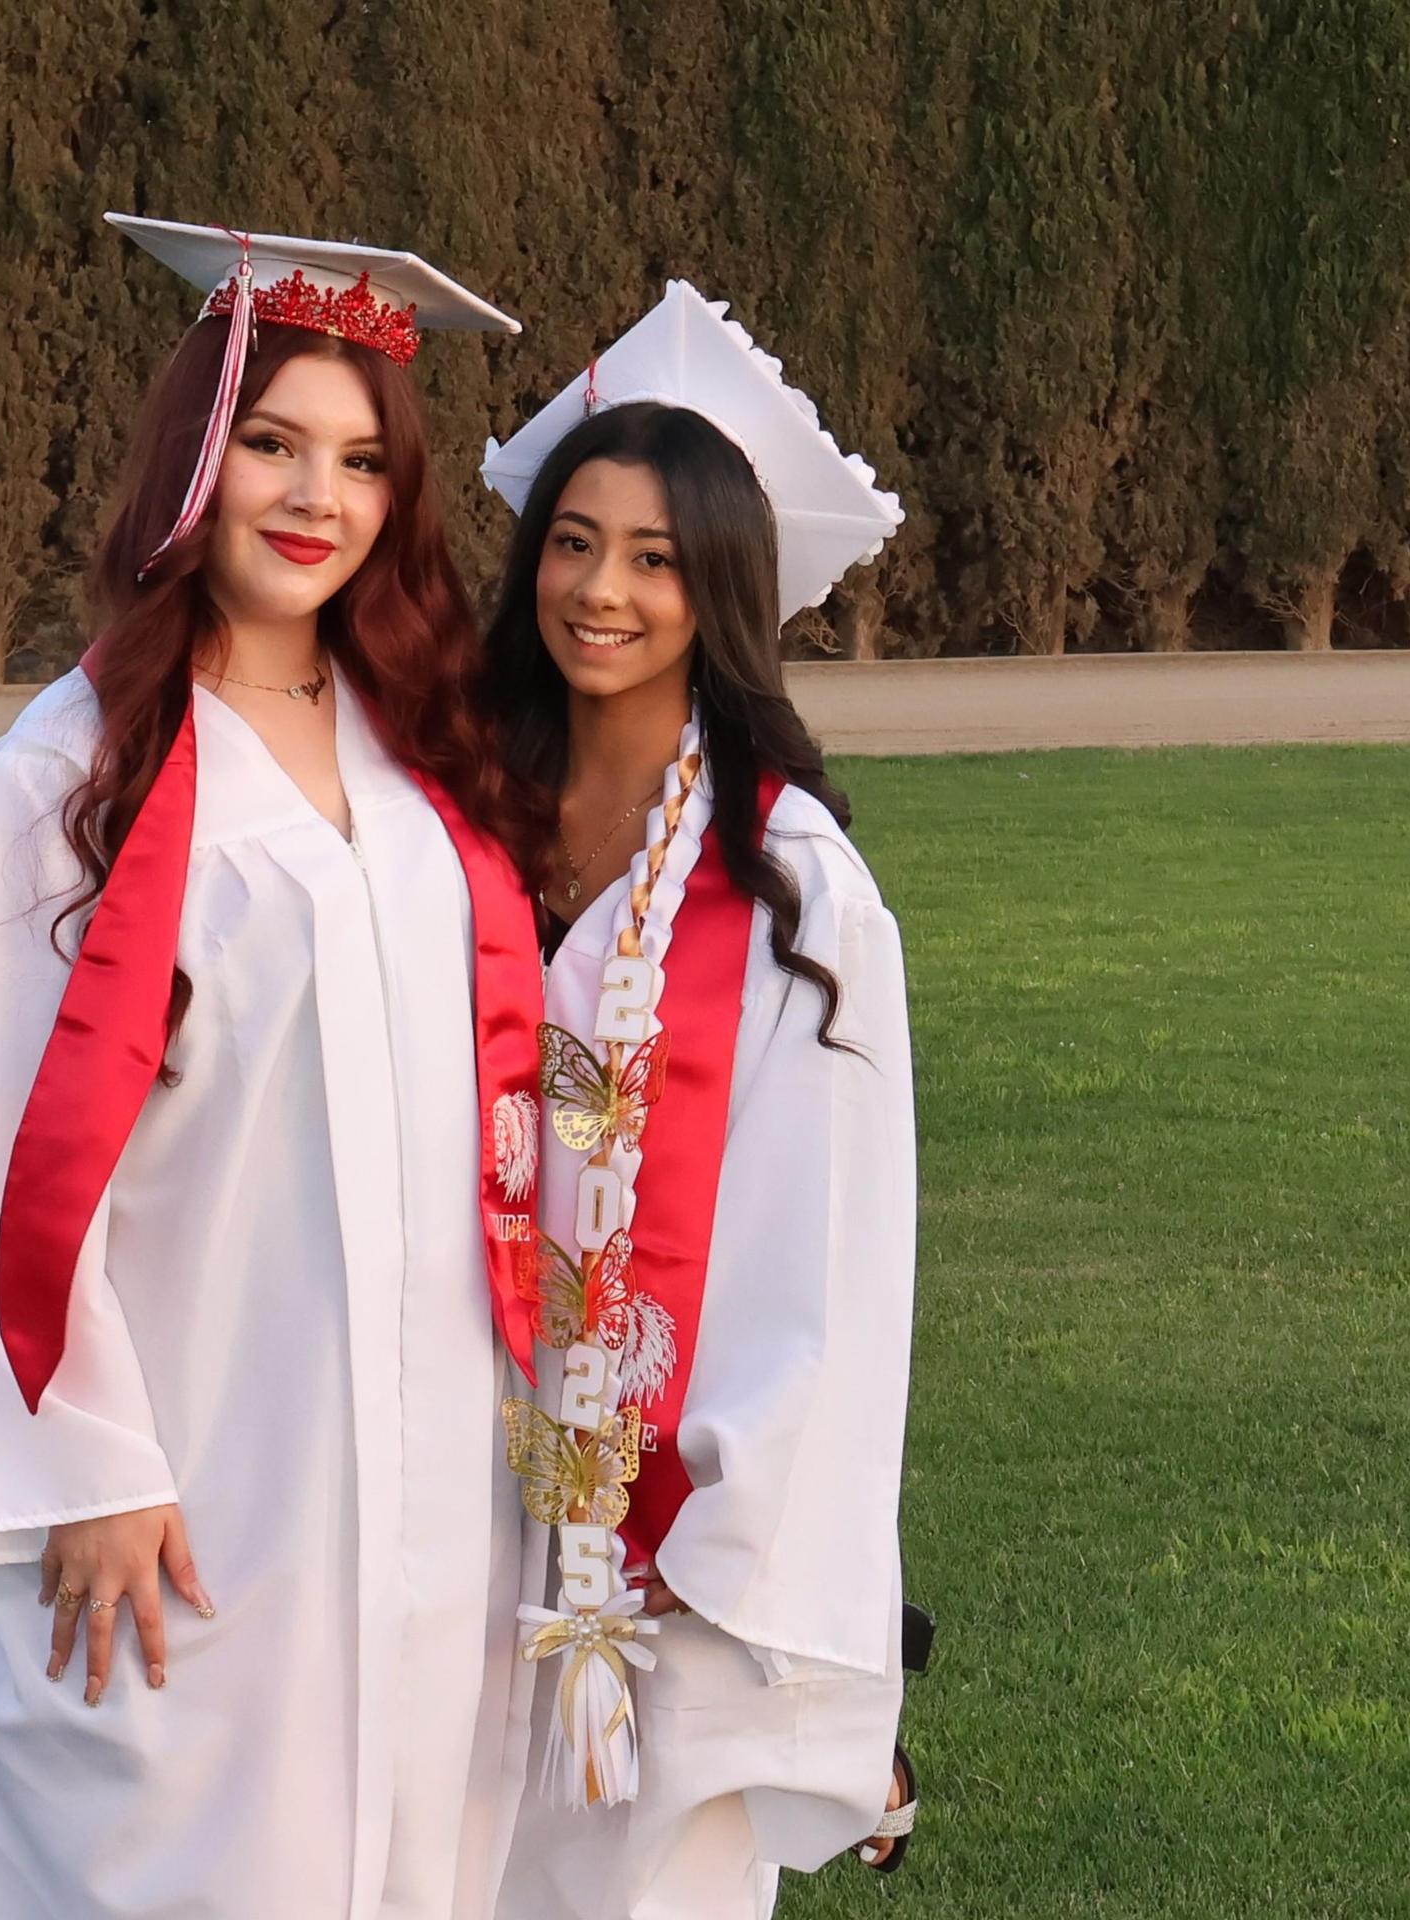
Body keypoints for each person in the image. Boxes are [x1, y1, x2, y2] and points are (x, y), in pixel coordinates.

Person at [0, 219, 548, 1920]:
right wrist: (86, 1464)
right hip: (198, 1465)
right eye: (272, 442)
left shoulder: (423, 750)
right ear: (192, 458)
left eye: (363, 460)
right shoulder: (65, 778)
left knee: (405, 1858)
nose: (316, 496)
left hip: (430, 1457)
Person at [478, 283, 919, 1918]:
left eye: (657, 559)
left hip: (663, 1559)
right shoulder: (464, 813)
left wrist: (739, 1574)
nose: (600, 590)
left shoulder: (790, 882)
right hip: (448, 1505)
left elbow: (830, 1263)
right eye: (574, 542)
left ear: (722, 590)